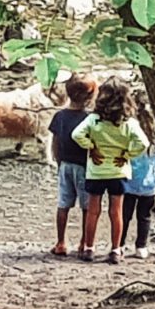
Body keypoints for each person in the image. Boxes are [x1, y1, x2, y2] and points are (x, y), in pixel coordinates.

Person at [71, 78, 147, 264]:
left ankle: (89, 248)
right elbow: (144, 143)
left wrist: (91, 146)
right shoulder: (129, 123)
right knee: (116, 212)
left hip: (96, 171)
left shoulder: (94, 120)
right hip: (118, 171)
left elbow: (76, 134)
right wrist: (127, 154)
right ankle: (115, 250)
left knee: (93, 211)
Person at [48, 74, 98, 257]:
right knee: (87, 207)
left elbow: (55, 141)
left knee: (63, 204)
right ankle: (84, 242)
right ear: (89, 97)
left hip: (65, 166)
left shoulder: (59, 116)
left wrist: (58, 160)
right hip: (85, 167)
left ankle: (61, 242)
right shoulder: (90, 118)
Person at [120, 90, 155, 259]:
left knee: (124, 215)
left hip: (129, 181)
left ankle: (119, 244)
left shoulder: (130, 127)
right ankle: (141, 247)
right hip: (151, 184)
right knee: (145, 216)